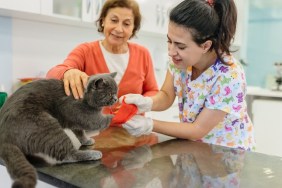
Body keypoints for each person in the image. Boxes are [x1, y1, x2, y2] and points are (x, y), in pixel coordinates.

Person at [121, 0, 255, 151]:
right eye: (169, 41)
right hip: (193, 149)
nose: (171, 51)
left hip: (225, 156)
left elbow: (197, 129)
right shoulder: (179, 62)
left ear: (205, 46)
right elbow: (166, 95)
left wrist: (150, 124)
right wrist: (147, 102)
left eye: (180, 46)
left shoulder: (229, 76)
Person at [46, 0, 158, 114]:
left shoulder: (143, 54)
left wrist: (139, 104)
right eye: (114, 20)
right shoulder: (86, 51)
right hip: (92, 129)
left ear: (133, 28)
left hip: (134, 128)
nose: (119, 29)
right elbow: (53, 73)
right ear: (103, 20)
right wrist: (67, 72)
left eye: (126, 24)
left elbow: (152, 91)